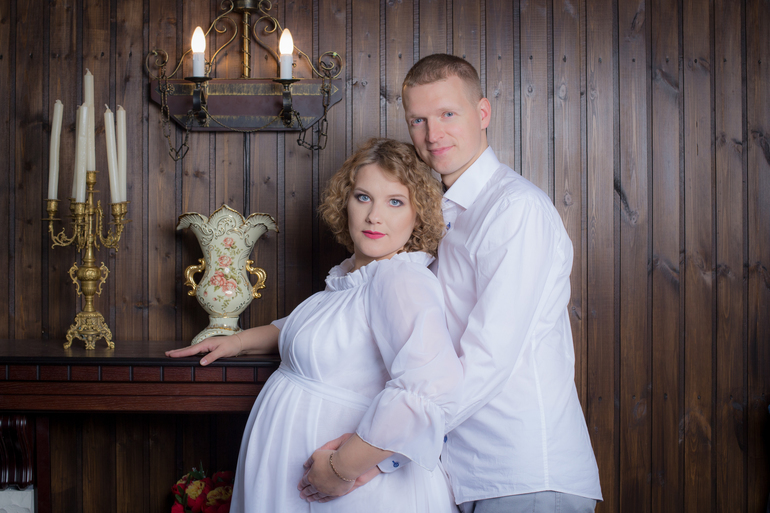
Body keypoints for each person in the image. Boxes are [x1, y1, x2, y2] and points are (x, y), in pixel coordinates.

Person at [306, 54, 603, 512]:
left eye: (448, 114)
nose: (433, 134)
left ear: (482, 113)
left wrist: (375, 454)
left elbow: (488, 359)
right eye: (418, 120)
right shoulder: (438, 214)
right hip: (459, 473)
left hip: (522, 474)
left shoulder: (515, 210)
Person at [167, 137, 463, 513]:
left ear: (418, 213)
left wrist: (341, 469)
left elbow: (430, 389)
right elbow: (308, 328)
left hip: (348, 491)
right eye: (363, 197)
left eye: (395, 202)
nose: (374, 216)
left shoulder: (400, 279)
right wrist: (236, 341)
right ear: (345, 202)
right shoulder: (350, 277)